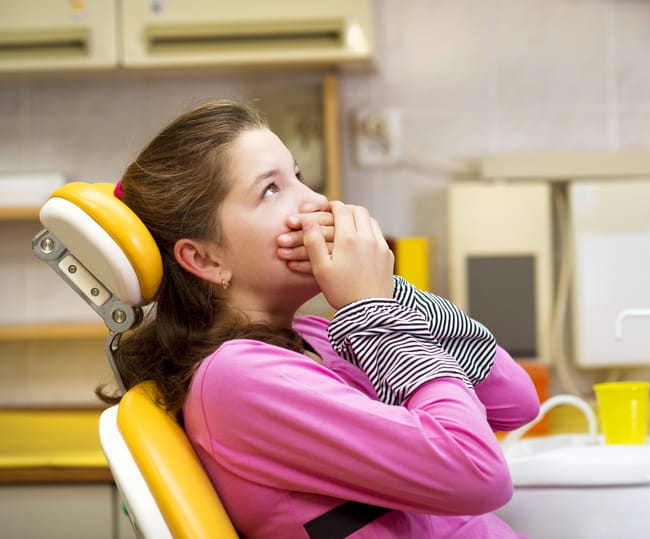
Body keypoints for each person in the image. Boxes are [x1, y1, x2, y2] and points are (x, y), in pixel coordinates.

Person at [102, 98, 540, 538]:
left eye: (299, 176)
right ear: (205, 258)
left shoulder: (322, 335)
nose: (316, 201)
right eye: (271, 189)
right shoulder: (238, 379)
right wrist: (374, 313)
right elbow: (480, 474)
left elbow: (515, 401)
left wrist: (387, 294)